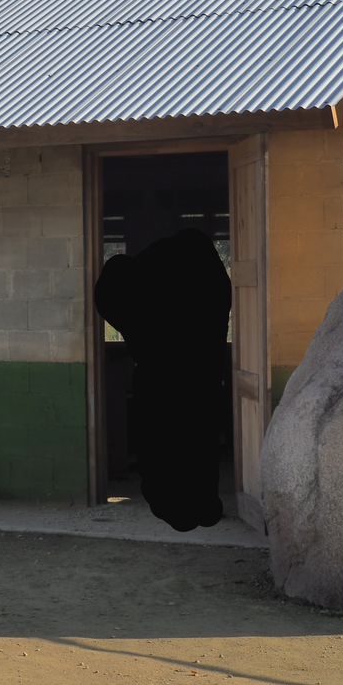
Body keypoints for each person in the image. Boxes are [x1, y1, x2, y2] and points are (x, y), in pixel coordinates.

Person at [94, 228, 232, 531]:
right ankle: (197, 504)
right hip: (200, 383)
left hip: (169, 383)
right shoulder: (210, 284)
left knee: (169, 442)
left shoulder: (157, 292)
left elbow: (113, 294)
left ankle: (179, 504)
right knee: (197, 442)